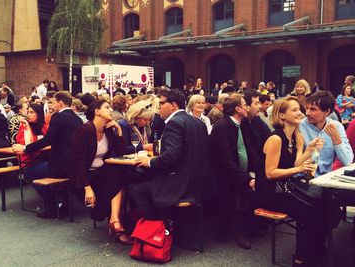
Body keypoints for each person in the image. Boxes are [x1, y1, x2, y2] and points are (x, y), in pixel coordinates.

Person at [259, 96, 333, 266]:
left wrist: (310, 150)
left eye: (299, 109)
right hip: (270, 192)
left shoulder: (297, 137)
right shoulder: (275, 139)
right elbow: (270, 173)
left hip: (287, 188)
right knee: (310, 215)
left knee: (323, 205)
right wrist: (299, 170)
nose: (300, 112)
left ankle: (315, 251)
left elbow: (295, 164)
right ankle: (300, 260)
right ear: (282, 115)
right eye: (294, 110)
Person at [133, 89, 211, 220]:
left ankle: (159, 228)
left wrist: (149, 162)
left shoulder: (174, 123)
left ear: (173, 105)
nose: (159, 108)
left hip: (181, 184)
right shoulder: (198, 122)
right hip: (198, 181)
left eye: (162, 103)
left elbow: (171, 157)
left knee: (137, 190)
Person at [12, 91, 83, 218]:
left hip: (60, 165)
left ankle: (52, 206)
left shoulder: (58, 117)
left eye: (53, 103)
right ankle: (65, 204)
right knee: (42, 168)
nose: (51, 105)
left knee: (29, 172)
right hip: (74, 163)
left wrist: (25, 149)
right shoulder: (77, 119)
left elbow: (47, 140)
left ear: (60, 104)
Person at [70, 99, 131, 244]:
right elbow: (78, 163)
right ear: (97, 111)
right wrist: (87, 188)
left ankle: (115, 220)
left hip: (100, 172)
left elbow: (121, 151)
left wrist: (119, 131)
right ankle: (115, 222)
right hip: (83, 177)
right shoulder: (84, 130)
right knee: (114, 182)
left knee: (119, 172)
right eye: (107, 107)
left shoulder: (108, 129)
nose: (111, 110)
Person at [210, 93, 259, 249]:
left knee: (252, 198)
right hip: (225, 176)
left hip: (242, 172)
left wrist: (257, 170)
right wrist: (247, 179)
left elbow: (249, 148)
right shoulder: (221, 127)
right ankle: (234, 232)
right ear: (238, 109)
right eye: (245, 105)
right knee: (229, 202)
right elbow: (225, 161)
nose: (248, 107)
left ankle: (242, 229)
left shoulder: (243, 123)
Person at [299, 90, 353, 177]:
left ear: (327, 112)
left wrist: (336, 139)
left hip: (323, 178)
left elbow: (347, 160)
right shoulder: (299, 126)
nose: (307, 113)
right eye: (307, 108)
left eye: (313, 109)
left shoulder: (336, 127)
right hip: (300, 177)